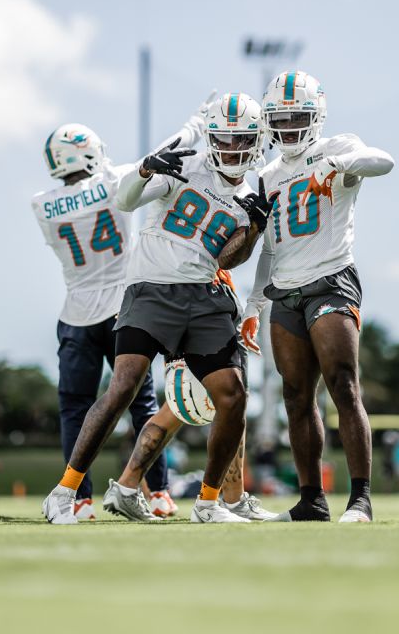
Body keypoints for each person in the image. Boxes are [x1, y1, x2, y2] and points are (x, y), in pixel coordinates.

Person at [43, 92, 271, 525]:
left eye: (242, 140)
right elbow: (127, 201)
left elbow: (228, 259)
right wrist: (145, 170)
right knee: (124, 386)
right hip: (152, 289)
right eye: (223, 139)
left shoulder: (247, 192)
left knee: (233, 395)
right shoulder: (188, 163)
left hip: (203, 296)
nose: (231, 149)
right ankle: (64, 491)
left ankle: (208, 502)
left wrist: (255, 228)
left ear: (257, 142)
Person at [31, 108, 212, 520]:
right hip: (122, 309)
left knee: (76, 407)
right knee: (142, 403)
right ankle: (161, 491)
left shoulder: (42, 205)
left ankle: (79, 498)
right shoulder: (114, 181)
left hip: (76, 311)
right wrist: (195, 125)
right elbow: (164, 152)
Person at [242, 70, 395, 523]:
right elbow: (269, 247)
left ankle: (361, 499)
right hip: (284, 290)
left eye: (298, 117)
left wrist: (347, 165)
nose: (289, 128)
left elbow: (383, 162)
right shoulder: (267, 176)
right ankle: (312, 499)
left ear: (317, 117)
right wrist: (253, 305)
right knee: (294, 396)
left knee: (343, 384)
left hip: (330, 279)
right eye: (280, 119)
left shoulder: (338, 147)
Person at [101, 355, 277, 521]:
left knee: (183, 402)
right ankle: (231, 501)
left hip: (193, 332)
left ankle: (125, 486)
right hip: (213, 329)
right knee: (229, 398)